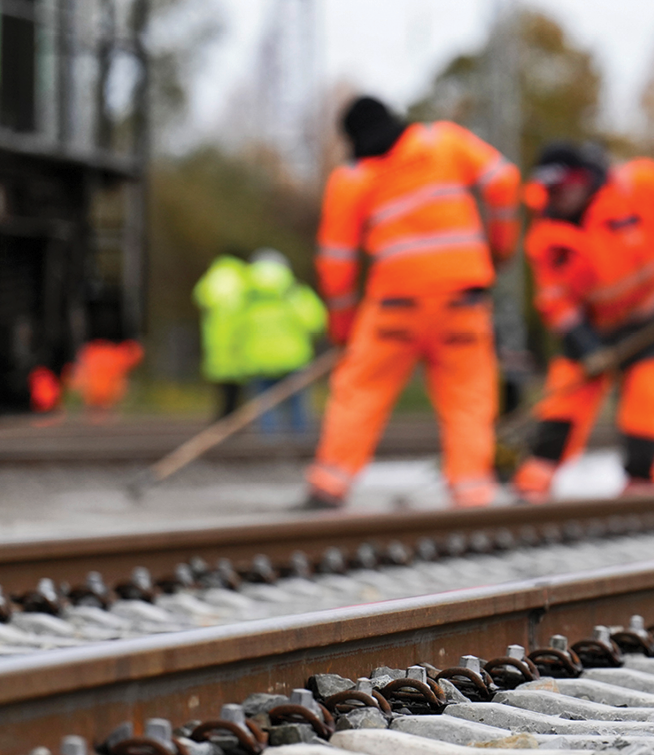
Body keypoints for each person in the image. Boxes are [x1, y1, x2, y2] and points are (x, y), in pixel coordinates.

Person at [307, 96, 521, 509]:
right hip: (463, 301)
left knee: (361, 391)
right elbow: (505, 180)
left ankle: (330, 483)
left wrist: (343, 330)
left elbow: (336, 265)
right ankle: (472, 491)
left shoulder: (351, 178)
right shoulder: (444, 141)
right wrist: (501, 248)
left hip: (394, 309)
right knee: (469, 397)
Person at [512, 142, 654, 502]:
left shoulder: (642, 186)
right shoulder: (546, 234)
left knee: (650, 400)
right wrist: (586, 346)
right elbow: (554, 300)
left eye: (563, 187)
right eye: (551, 190)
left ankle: (641, 483)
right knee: (563, 401)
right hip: (593, 326)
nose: (557, 196)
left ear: (585, 179)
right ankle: (534, 483)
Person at [239, 249, 326, 435]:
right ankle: (299, 448)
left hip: (257, 360)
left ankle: (268, 451)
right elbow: (315, 322)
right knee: (297, 407)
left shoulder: (245, 295)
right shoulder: (294, 292)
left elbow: (233, 328)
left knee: (266, 408)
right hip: (293, 359)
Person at [194, 253, 252, 419]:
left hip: (216, 337)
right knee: (238, 384)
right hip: (240, 338)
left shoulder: (212, 277)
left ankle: (222, 416)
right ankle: (234, 416)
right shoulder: (244, 277)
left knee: (220, 384)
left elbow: (199, 298)